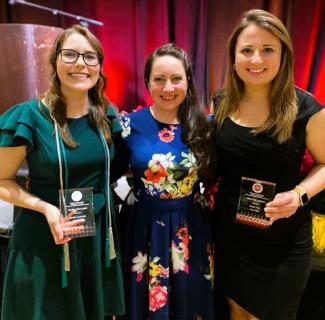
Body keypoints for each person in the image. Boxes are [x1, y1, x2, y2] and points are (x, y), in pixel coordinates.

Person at [0, 25, 124, 319]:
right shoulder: (29, 116)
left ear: (99, 67)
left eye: (89, 57)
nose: (80, 64)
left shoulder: (106, 115)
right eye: (70, 55)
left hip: (96, 239)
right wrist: (45, 208)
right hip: (45, 238)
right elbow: (2, 181)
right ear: (55, 62)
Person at [211, 9, 325, 320]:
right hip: (231, 236)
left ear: (283, 55)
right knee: (236, 312)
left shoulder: (306, 109)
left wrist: (299, 194)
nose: (256, 59)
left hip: (283, 242)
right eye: (247, 50)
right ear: (234, 56)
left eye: (267, 50)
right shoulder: (220, 104)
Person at [116, 43, 216, 319]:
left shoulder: (206, 125)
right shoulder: (128, 125)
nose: (168, 88)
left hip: (191, 227)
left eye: (176, 79)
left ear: (188, 81)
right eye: (159, 79)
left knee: (190, 302)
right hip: (143, 227)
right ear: (147, 81)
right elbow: (110, 171)